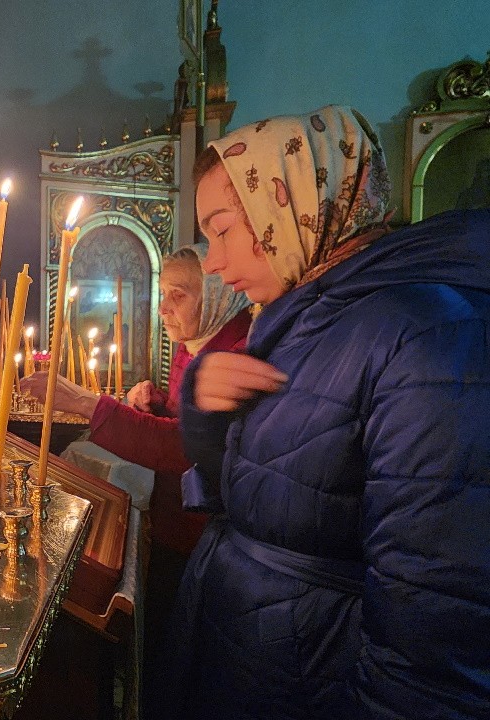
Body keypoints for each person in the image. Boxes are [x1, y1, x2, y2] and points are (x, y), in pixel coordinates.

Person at [173, 105, 490, 719]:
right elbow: (253, 493)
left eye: (222, 230)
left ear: (287, 205)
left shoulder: (425, 336)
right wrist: (203, 404)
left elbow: (435, 622)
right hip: (264, 668)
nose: (212, 262)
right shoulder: (306, 317)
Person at [21, 244, 251, 719]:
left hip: (203, 537)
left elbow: (188, 448)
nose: (164, 308)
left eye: (178, 296)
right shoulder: (201, 344)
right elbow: (195, 423)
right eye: (163, 294)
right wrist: (161, 400)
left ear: (214, 295)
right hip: (180, 525)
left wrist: (89, 404)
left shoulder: (233, 351)